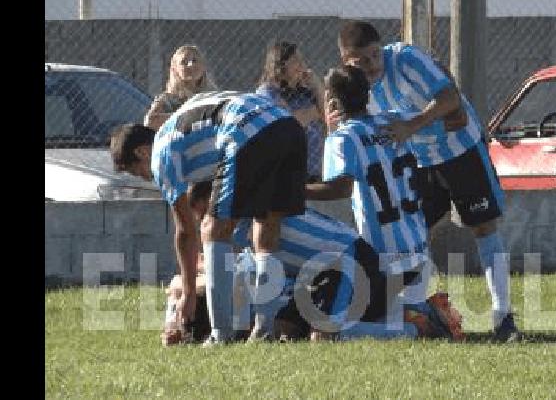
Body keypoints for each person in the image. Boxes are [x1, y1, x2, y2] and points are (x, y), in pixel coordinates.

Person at [335, 20, 520, 342]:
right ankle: (419, 312)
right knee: (415, 234)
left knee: (483, 225)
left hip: (460, 149)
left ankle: (503, 317)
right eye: (361, 61)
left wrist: (413, 125)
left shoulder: (406, 60)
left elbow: (451, 100)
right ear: (345, 61)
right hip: (419, 160)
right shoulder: (354, 86)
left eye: (375, 56)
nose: (372, 66)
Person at [110, 90, 307, 345]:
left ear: (141, 152)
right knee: (267, 225)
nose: (145, 178)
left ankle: (220, 334)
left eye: (136, 172)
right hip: (287, 126)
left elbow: (185, 231)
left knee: (212, 231)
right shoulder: (181, 123)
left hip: (244, 131)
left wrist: (189, 292)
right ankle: (263, 330)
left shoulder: (160, 154)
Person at [186, 180, 462, 342]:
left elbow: (230, 275)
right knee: (287, 329)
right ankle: (417, 309)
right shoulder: (247, 220)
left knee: (327, 336)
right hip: (328, 274)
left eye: (203, 215)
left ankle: (416, 327)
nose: (205, 225)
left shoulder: (244, 223)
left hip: (347, 263)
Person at [306, 66, 462, 340]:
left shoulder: (343, 139)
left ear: (331, 100)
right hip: (419, 252)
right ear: (368, 95)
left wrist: (294, 191)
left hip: (380, 261)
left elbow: (341, 187)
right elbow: (454, 118)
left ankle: (416, 327)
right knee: (381, 311)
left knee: (327, 327)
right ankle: (424, 313)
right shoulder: (396, 120)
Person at [255, 41, 326, 181]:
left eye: (301, 59)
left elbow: (327, 115)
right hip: (285, 172)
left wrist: (317, 85)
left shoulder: (303, 91)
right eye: (295, 61)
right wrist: (313, 112)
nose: (301, 64)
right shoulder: (267, 91)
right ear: (280, 65)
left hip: (312, 169)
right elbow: (289, 124)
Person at [144, 44, 217, 130]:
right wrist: (189, 116)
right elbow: (150, 122)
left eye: (195, 60)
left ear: (203, 67)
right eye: (184, 62)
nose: (191, 65)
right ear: (175, 70)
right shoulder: (167, 99)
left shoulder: (214, 96)